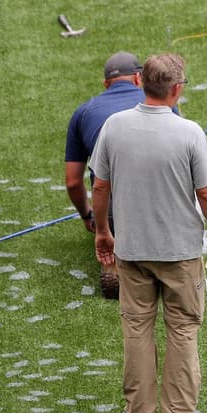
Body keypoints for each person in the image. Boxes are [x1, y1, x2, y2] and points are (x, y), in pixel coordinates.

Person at [91, 54, 207, 413]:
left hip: (132, 251)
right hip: (180, 253)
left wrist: (103, 231)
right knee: (183, 330)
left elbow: (99, 185)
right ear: (177, 89)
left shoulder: (114, 127)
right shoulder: (190, 133)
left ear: (140, 82)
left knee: (137, 330)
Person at [64, 52, 146, 298]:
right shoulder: (160, 102)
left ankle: (111, 265)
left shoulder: (83, 112)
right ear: (138, 79)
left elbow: (72, 181)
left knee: (107, 187)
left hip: (109, 198)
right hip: (155, 193)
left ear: (105, 84)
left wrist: (89, 216)